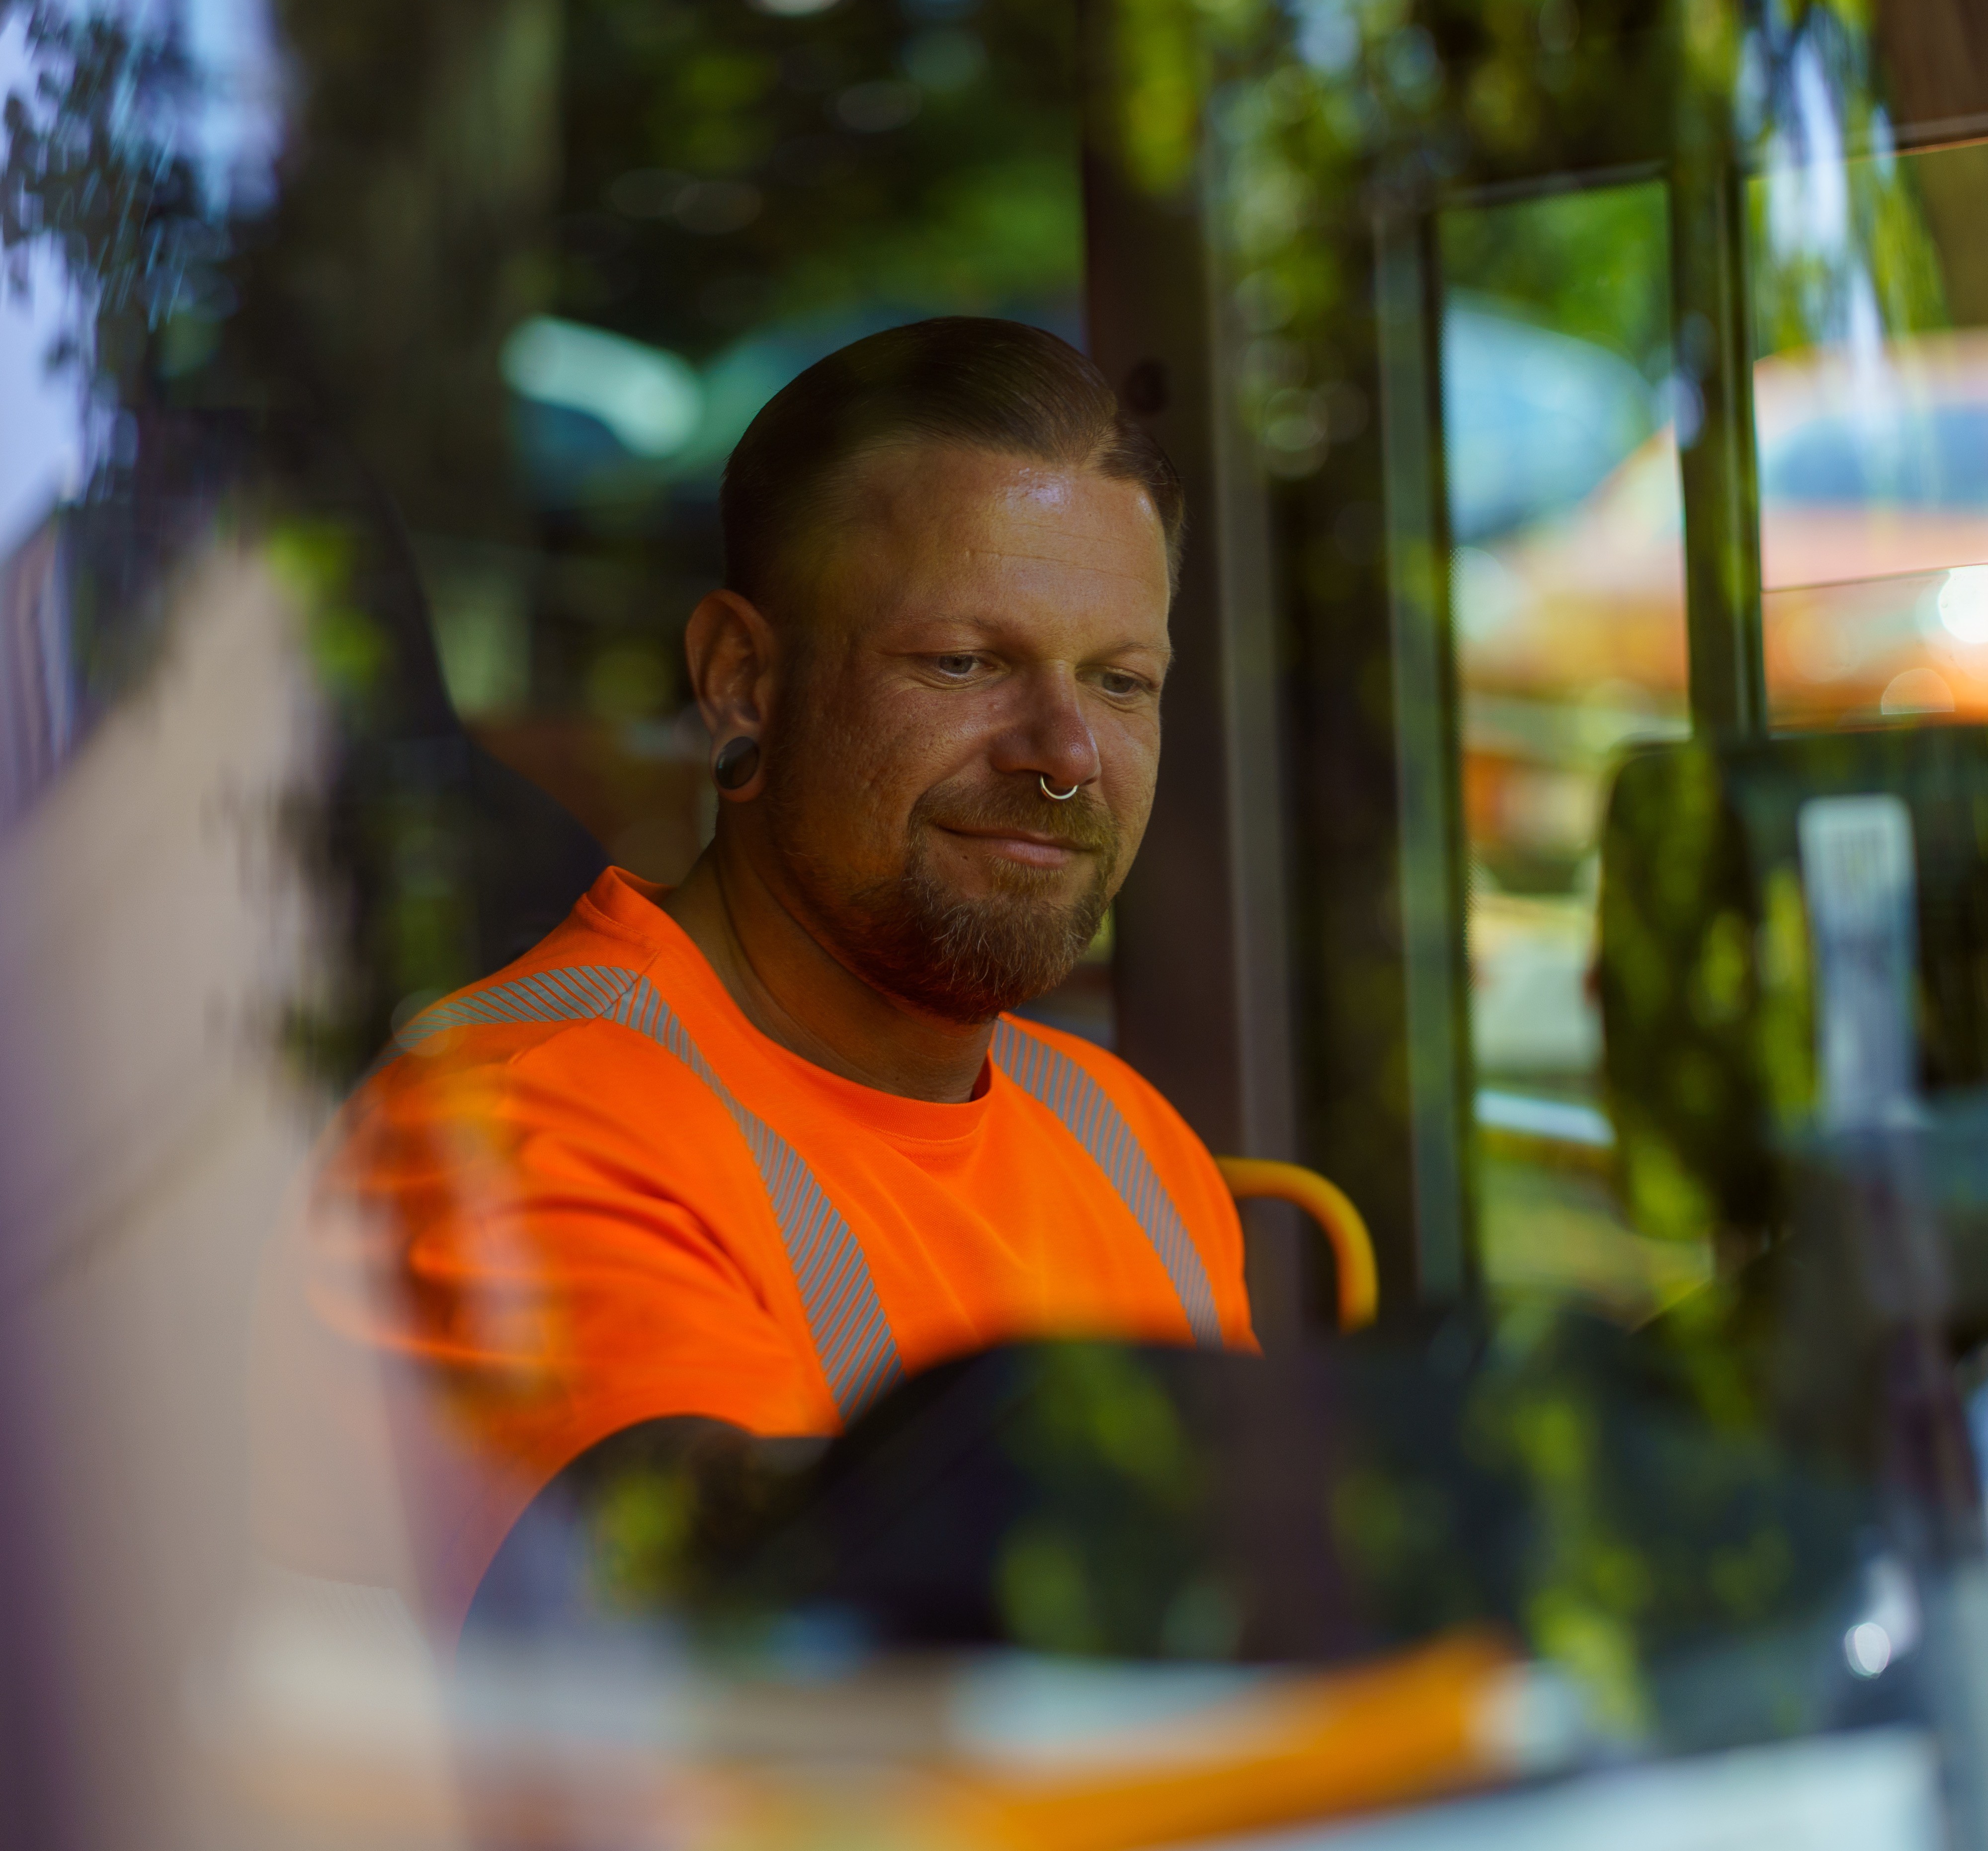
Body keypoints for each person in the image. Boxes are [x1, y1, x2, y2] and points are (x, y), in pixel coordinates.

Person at [259, 318, 1255, 1636]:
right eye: (964, 662)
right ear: (742, 684)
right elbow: (744, 1677)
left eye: (1121, 680)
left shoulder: (1132, 1142)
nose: (1065, 751)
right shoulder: (522, 1129)